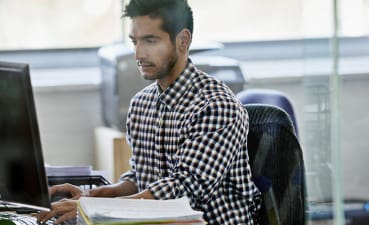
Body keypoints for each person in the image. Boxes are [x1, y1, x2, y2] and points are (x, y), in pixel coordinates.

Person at [38, 0, 261, 224]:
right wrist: (91, 196)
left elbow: (184, 191)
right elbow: (141, 178)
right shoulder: (141, 104)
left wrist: (91, 208)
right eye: (134, 42)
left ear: (183, 40)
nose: (138, 54)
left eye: (150, 41)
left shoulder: (216, 107)